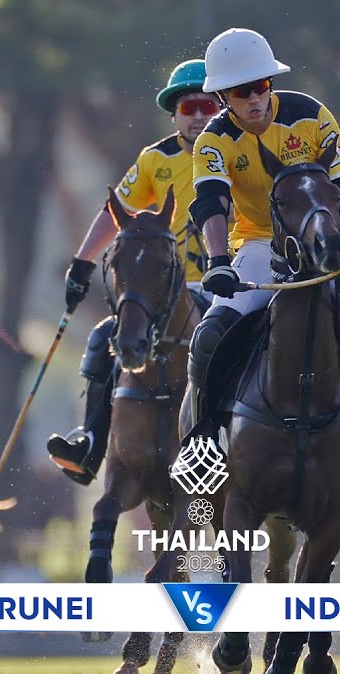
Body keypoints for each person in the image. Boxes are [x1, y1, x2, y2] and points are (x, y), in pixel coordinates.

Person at [184, 28, 340, 477]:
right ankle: (203, 437)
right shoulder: (214, 140)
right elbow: (210, 202)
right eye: (242, 92)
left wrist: (328, 226)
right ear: (223, 97)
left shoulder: (309, 114)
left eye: (261, 86)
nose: (255, 98)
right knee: (209, 336)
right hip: (260, 244)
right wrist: (218, 262)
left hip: (332, 237)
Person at [47, 59, 223, 486]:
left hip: (225, 283)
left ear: (219, 107)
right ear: (174, 115)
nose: (197, 115)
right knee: (103, 337)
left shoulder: (237, 151)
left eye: (205, 105)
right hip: (167, 294)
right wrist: (83, 260)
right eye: (187, 108)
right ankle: (91, 443)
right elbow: (117, 213)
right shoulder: (155, 160)